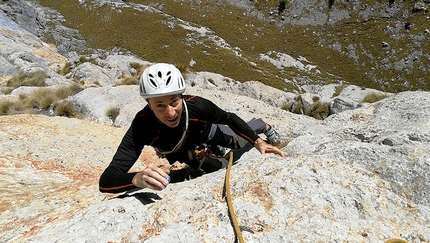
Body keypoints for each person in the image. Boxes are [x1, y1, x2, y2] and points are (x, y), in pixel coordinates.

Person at [99, 63, 286, 193]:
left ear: (181, 96)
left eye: (174, 101)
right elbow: (107, 179)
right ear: (149, 104)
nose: (171, 113)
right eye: (160, 106)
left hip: (208, 131)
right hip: (183, 151)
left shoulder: (198, 106)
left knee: (238, 143)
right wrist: (135, 179)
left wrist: (257, 141)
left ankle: (261, 124)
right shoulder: (142, 126)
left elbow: (229, 118)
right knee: (217, 167)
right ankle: (211, 154)